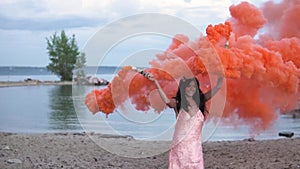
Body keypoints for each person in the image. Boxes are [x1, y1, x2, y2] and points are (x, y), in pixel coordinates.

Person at [147, 74, 223, 169]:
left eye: (193, 86)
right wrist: (155, 82)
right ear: (184, 88)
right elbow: (166, 100)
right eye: (188, 86)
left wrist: (219, 81)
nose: (191, 88)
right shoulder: (178, 104)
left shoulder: (200, 102)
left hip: (195, 149)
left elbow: (216, 89)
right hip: (180, 148)